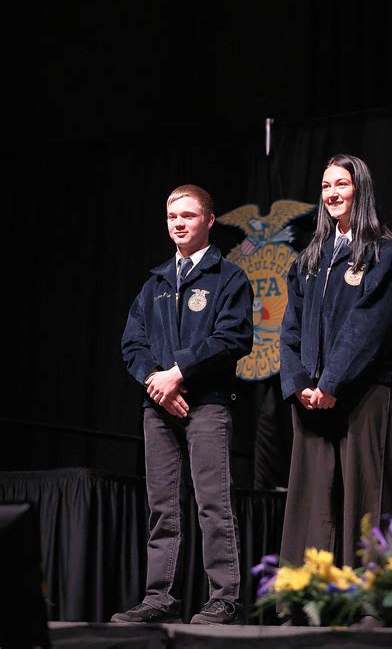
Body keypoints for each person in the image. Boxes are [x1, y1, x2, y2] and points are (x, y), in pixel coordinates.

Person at [111, 184, 254, 626]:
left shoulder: (228, 277)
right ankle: (159, 597)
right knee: (162, 506)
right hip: (159, 408)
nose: (179, 223)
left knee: (213, 504)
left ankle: (224, 596)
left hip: (207, 406)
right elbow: (132, 342)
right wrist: (158, 382)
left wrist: (180, 373)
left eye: (188, 216)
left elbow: (233, 339)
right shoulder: (155, 281)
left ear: (209, 220)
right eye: (173, 216)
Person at [279, 154, 392, 570]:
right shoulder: (309, 258)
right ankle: (305, 600)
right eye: (325, 186)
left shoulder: (382, 253)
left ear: (360, 190)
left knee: (364, 501)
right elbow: (289, 329)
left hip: (363, 393)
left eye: (342, 185)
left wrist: (332, 383)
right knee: (311, 503)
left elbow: (367, 325)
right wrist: (300, 382)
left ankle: (367, 602)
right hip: (313, 397)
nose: (332, 194)